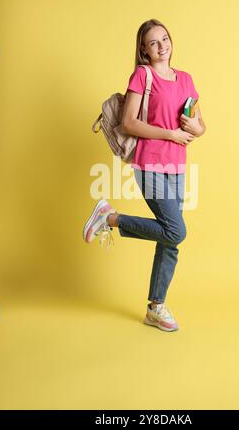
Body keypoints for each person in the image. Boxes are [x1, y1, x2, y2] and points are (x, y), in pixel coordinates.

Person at [83, 18, 206, 332]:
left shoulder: (187, 79)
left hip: (177, 165)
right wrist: (170, 134)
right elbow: (128, 123)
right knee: (176, 230)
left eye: (165, 39)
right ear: (144, 50)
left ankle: (156, 307)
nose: (162, 46)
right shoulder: (143, 75)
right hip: (149, 162)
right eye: (154, 42)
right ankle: (109, 218)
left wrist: (195, 128)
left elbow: (200, 126)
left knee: (170, 240)